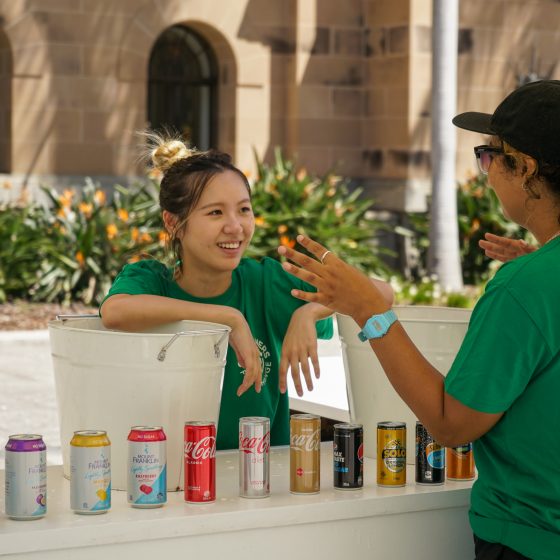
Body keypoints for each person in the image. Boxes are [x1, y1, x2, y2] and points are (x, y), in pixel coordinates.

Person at [278, 80, 560, 560]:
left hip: (530, 538)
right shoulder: (535, 279)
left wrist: (370, 311)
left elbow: (452, 424)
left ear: (526, 168)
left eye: (490, 156)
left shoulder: (526, 288)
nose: (486, 173)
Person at [100, 134, 338, 450]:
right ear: (173, 222)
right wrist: (227, 318)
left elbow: (379, 294)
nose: (235, 226)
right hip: (166, 471)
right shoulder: (152, 282)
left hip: (260, 472)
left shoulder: (267, 283)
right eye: (215, 213)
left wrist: (310, 312)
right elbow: (115, 311)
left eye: (244, 209)